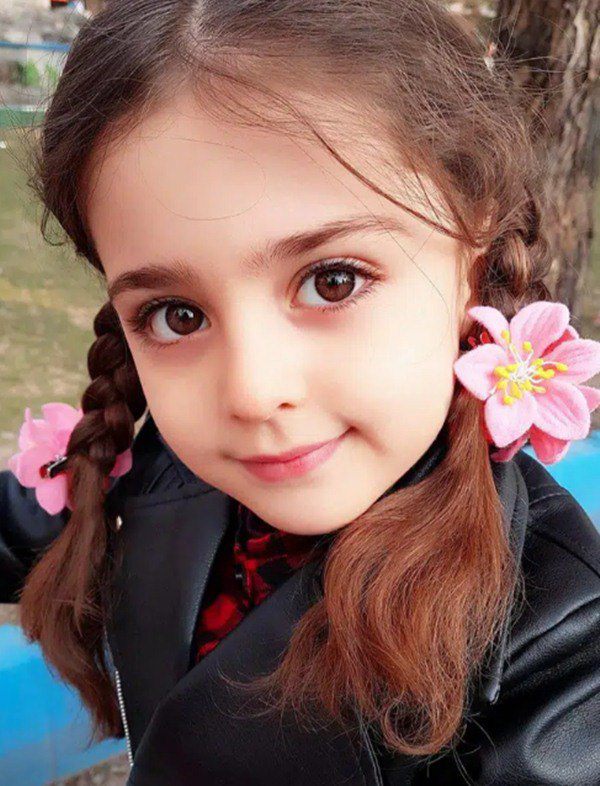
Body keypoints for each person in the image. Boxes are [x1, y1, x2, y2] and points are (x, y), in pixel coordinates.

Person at [1, 1, 599, 783]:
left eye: (332, 281)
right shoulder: (156, 473)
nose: (252, 393)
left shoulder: (561, 663)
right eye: (177, 316)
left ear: (475, 246)